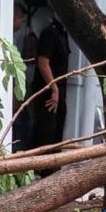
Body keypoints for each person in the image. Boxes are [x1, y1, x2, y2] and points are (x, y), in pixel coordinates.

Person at [32, 12, 70, 149]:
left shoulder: (63, 33)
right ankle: (42, 164)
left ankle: (54, 162)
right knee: (46, 134)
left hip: (60, 92)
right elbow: (43, 62)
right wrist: (54, 89)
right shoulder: (50, 33)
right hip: (48, 93)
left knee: (57, 135)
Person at [11, 2, 37, 153]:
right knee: (22, 127)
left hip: (18, 91)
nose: (21, 22)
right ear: (14, 17)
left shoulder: (14, 38)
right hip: (14, 93)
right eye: (21, 18)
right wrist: (16, 97)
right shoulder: (8, 38)